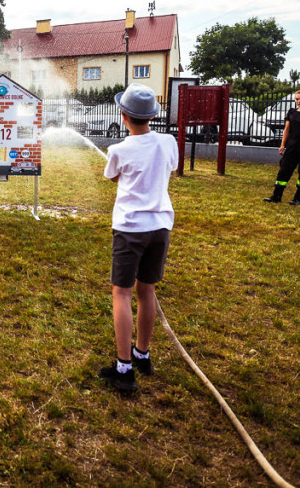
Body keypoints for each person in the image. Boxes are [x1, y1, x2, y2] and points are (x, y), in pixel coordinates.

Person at [98, 83, 178, 392]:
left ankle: (124, 369)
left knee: (122, 294)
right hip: (160, 227)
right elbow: (167, 167)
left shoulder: (119, 150)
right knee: (147, 291)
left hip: (130, 228)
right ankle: (142, 354)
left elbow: (112, 175)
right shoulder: (168, 142)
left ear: (123, 115)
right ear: (152, 117)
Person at [263, 87, 300, 206]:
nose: (299, 101)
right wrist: (283, 145)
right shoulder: (292, 112)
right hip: (292, 147)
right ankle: (276, 196)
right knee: (284, 171)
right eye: (297, 99)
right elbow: (287, 130)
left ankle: (298, 199)